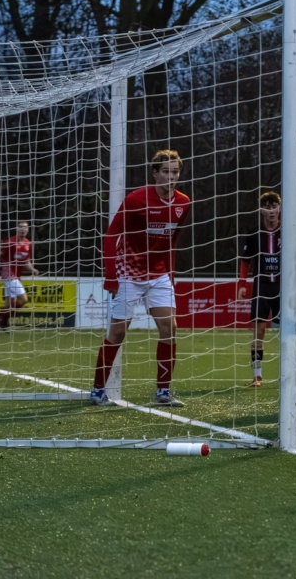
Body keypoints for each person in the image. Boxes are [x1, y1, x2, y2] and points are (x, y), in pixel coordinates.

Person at [90, 149, 190, 408]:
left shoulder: (183, 203)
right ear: (155, 173)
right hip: (128, 274)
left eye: (175, 172)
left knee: (170, 328)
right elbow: (111, 235)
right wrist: (111, 276)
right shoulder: (136, 199)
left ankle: (163, 392)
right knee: (118, 332)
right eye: (166, 172)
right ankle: (98, 390)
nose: (171, 177)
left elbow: (172, 241)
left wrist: (171, 272)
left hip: (158, 275)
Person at [238, 191, 281, 388]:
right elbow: (245, 261)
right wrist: (242, 284)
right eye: (267, 207)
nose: (271, 211)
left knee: (287, 332)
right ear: (261, 210)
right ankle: (257, 376)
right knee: (259, 331)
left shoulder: (287, 231)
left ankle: (288, 374)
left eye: (274, 207)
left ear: (279, 208)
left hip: (282, 286)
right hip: (261, 286)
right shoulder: (254, 233)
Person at [0, 220, 39, 333]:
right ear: (16, 229)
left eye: (25, 227)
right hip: (8, 273)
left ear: (28, 230)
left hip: (16, 275)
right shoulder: (11, 241)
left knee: (9, 303)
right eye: (20, 227)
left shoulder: (27, 243)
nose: (23, 229)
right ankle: (1, 319)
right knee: (23, 299)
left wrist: (32, 270)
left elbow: (26, 261)